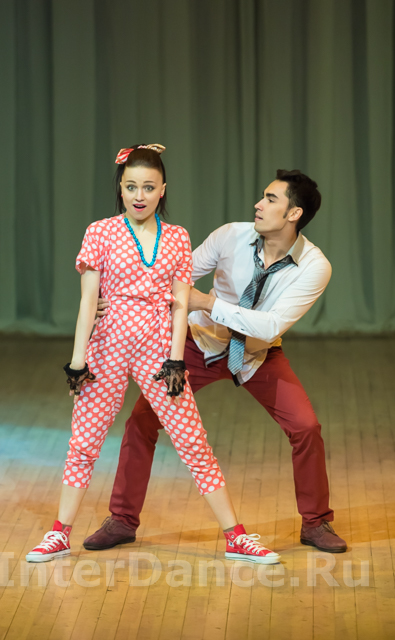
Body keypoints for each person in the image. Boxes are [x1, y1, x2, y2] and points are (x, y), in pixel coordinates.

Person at [25, 144, 280, 564]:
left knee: (193, 442)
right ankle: (59, 534)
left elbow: (181, 303)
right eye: (130, 187)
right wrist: (77, 360)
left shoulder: (177, 237)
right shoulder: (99, 232)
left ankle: (236, 536)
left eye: (148, 186)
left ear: (163, 189)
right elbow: (88, 301)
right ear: (120, 189)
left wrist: (176, 359)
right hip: (106, 347)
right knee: (84, 443)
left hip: (158, 350)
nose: (139, 195)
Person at [84, 169, 348, 555]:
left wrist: (208, 302)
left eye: (270, 199)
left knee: (306, 427)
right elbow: (169, 277)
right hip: (199, 345)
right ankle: (122, 519)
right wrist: (106, 297)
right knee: (141, 421)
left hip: (258, 354)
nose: (258, 204)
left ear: (294, 214)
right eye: (262, 196)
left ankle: (316, 522)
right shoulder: (231, 236)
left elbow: (271, 324)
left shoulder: (314, 266)